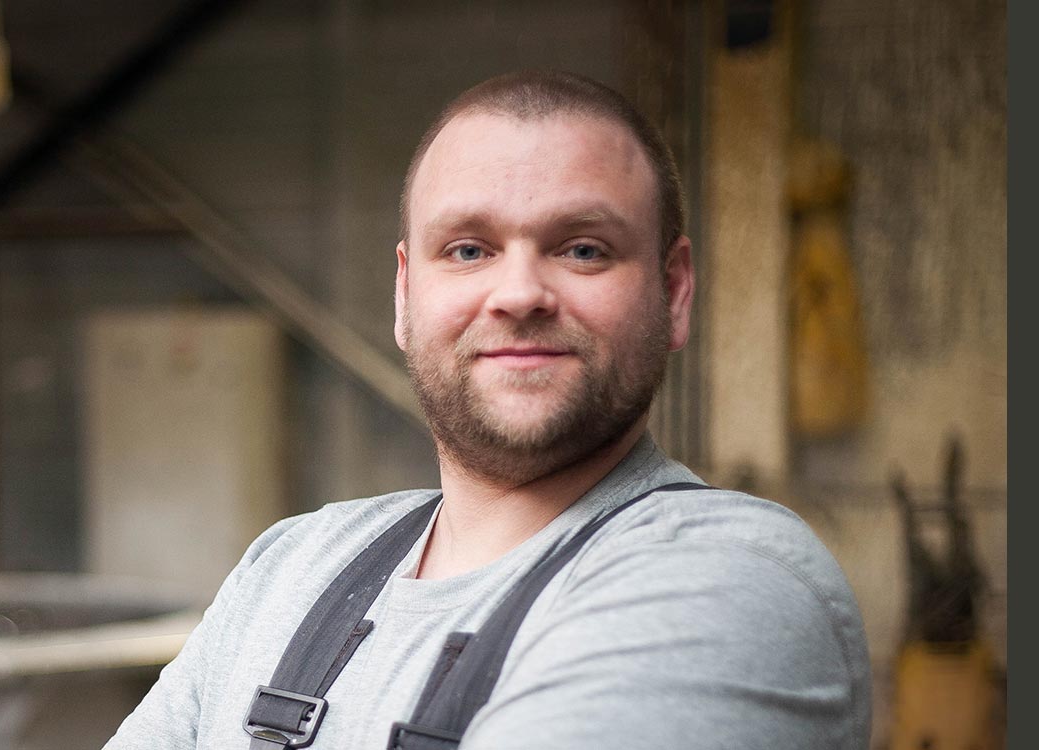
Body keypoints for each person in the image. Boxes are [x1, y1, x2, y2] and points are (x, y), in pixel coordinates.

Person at [103, 70, 871, 750]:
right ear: (405, 294)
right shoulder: (290, 567)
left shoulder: (729, 583)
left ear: (673, 292)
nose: (519, 294)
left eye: (583, 249)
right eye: (469, 250)